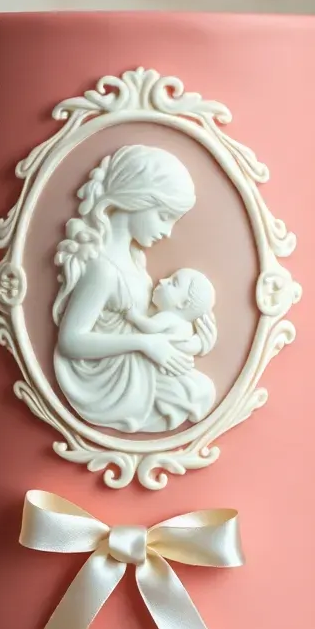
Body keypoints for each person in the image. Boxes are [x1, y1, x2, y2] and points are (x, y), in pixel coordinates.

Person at [53, 144, 218, 434]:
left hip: (137, 369)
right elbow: (71, 340)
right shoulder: (104, 269)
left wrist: (197, 342)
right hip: (113, 383)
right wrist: (144, 344)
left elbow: (157, 331)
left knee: (201, 390)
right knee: (194, 394)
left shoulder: (136, 260)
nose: (168, 232)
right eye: (164, 216)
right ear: (136, 200)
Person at [122, 268, 217, 362]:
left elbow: (151, 327)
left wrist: (135, 317)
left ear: (183, 303)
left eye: (173, 283)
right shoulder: (187, 328)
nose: (162, 281)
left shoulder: (169, 317)